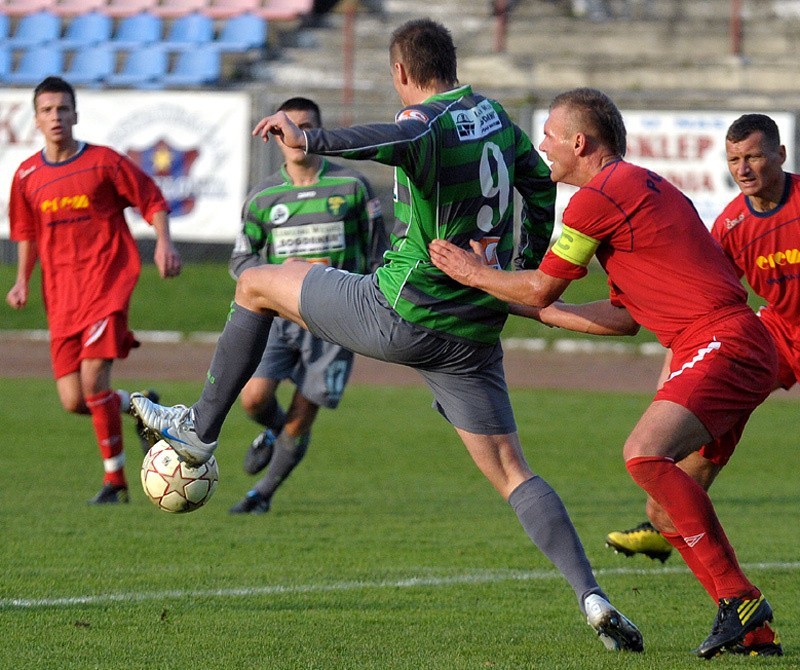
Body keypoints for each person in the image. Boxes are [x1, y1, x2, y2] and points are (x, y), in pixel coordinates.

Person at [131, 19, 643, 652]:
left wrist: (308, 134)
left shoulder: (425, 124)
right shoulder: (492, 115)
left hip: (403, 311)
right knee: (513, 471)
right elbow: (539, 184)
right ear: (450, 63)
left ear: (402, 72)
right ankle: (591, 596)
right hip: (474, 325)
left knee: (257, 284)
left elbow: (383, 138)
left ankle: (200, 431)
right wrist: (520, 266)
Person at [428, 88, 779, 658]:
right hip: (735, 342)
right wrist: (512, 303)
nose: (542, 146)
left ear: (578, 142)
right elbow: (621, 318)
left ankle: (740, 599)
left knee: (643, 455)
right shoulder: (642, 186)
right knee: (665, 505)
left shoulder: (596, 198)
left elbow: (544, 283)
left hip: (720, 340)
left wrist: (473, 274)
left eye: (548, 135)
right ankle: (751, 626)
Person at [603, 112, 795, 656]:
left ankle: (733, 596)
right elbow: (707, 306)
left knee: (653, 456)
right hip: (772, 339)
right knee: (679, 474)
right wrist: (674, 383)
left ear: (781, 154)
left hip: (767, 339)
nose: (744, 168)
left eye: (755, 156)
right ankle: (671, 529)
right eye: (734, 160)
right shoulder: (731, 225)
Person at [5, 76, 181, 505]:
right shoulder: (27, 175)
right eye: (47, 110)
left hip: (106, 286)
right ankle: (144, 408)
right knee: (74, 400)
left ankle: (116, 484)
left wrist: (164, 242)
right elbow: (26, 232)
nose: (56, 117)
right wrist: (21, 279)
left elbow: (152, 198)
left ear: (75, 114)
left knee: (93, 382)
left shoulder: (103, 163)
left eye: (63, 109)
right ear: (36, 119)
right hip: (61, 296)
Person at [227, 96, 388, 515]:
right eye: (286, 127)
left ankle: (261, 494)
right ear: (274, 135)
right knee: (253, 400)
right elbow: (242, 261)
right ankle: (277, 435)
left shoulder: (352, 187)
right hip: (280, 318)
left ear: (317, 133)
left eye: (306, 127)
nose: (295, 137)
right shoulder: (262, 198)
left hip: (337, 322)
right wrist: (280, 277)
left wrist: (367, 300)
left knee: (303, 415)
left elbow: (379, 255)